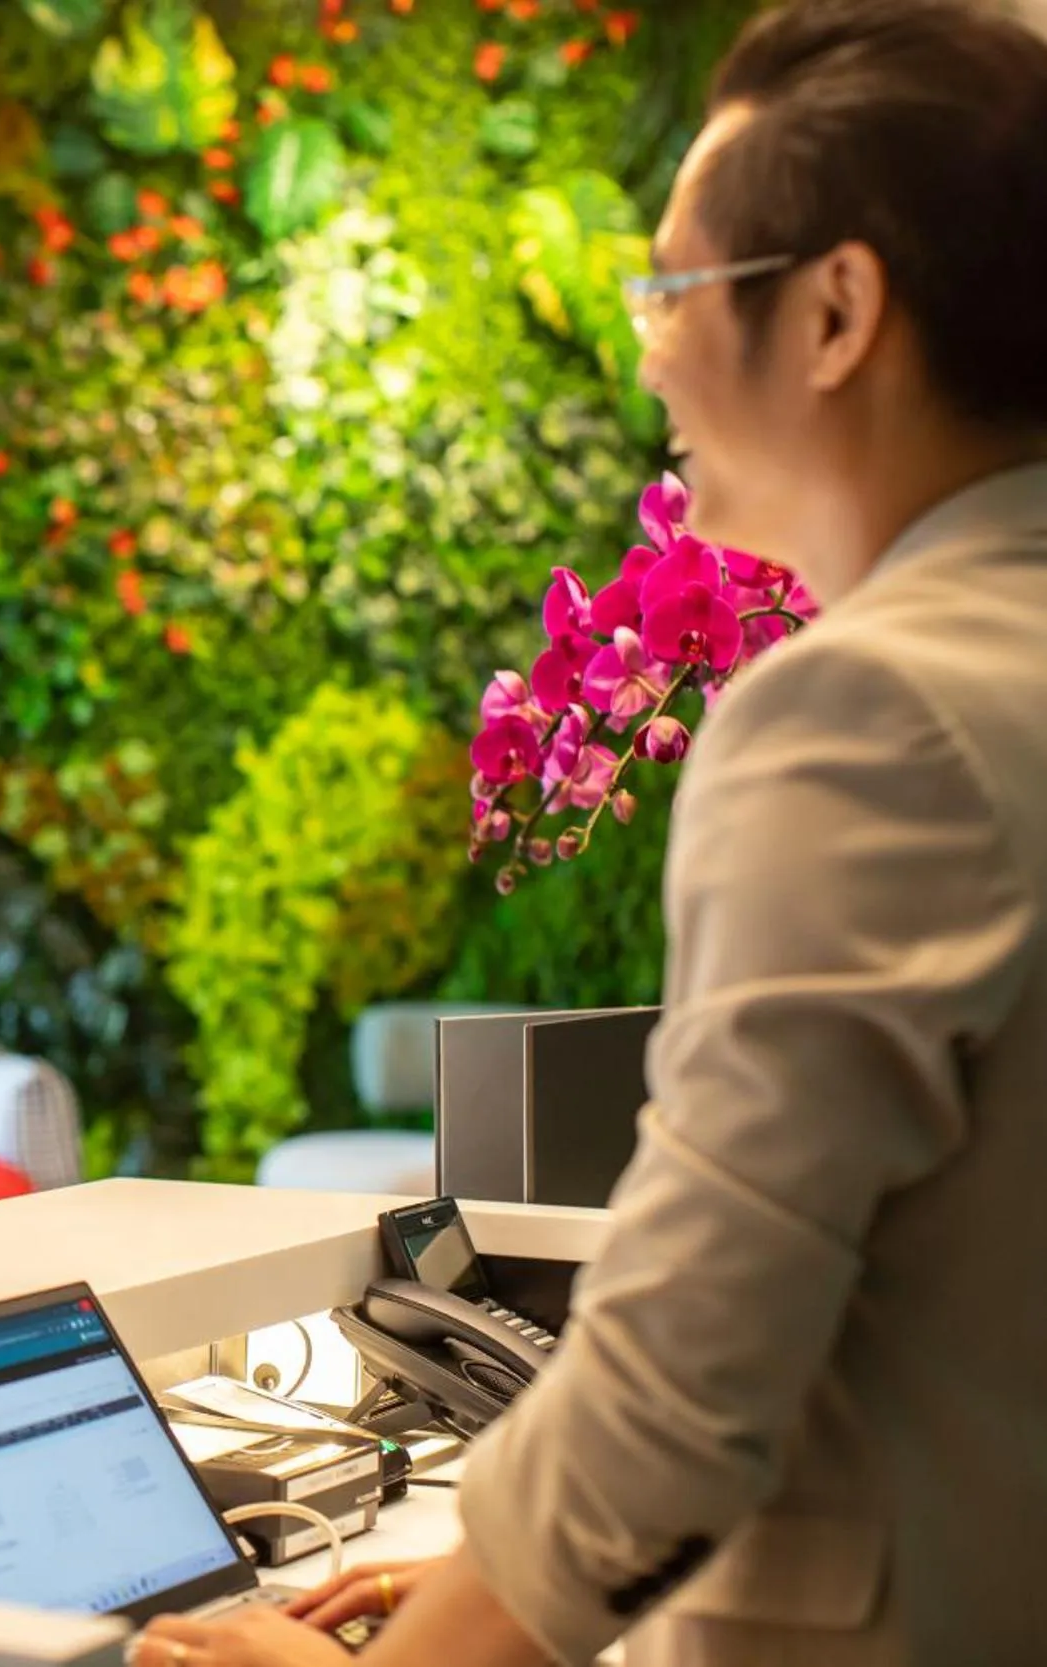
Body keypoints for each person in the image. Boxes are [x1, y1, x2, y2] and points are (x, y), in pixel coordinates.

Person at [139, 1, 1047, 1662]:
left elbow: (697, 1354)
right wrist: (505, 1571)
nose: (645, 348)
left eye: (673, 289)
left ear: (839, 310)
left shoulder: (870, 713)